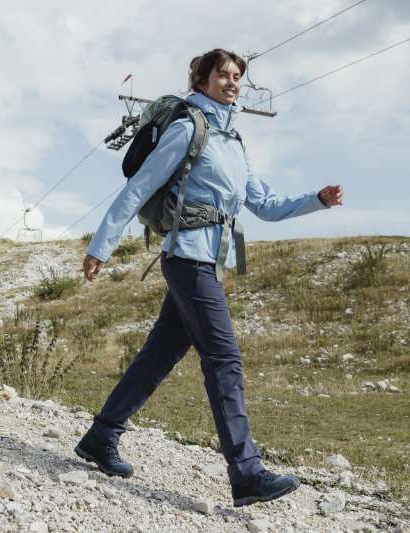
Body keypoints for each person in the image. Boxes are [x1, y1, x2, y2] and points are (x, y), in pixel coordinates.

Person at [75, 48, 344, 507]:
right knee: (224, 360)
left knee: (159, 355)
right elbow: (138, 187)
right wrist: (101, 247)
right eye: (223, 74)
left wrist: (315, 199)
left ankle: (101, 437)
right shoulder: (188, 129)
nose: (233, 82)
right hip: (186, 257)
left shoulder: (234, 142)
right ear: (201, 81)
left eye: (238, 76)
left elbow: (264, 204)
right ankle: (246, 472)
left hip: (210, 263)